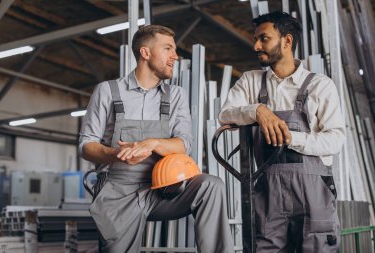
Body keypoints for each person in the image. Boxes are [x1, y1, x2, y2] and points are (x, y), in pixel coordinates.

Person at [79, 24, 234, 253]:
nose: (175, 56)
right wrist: (117, 155)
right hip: (118, 191)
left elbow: (184, 144)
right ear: (145, 53)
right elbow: (86, 145)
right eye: (168, 49)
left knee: (211, 186)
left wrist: (152, 143)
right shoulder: (107, 91)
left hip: (163, 190)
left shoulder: (176, 96)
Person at [219, 12, 345, 253]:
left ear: (286, 41)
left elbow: (336, 139)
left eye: (263, 38)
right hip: (268, 192)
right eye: (256, 39)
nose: (256, 46)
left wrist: (290, 138)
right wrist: (258, 110)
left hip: (314, 193)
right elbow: (225, 114)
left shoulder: (320, 85)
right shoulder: (250, 82)